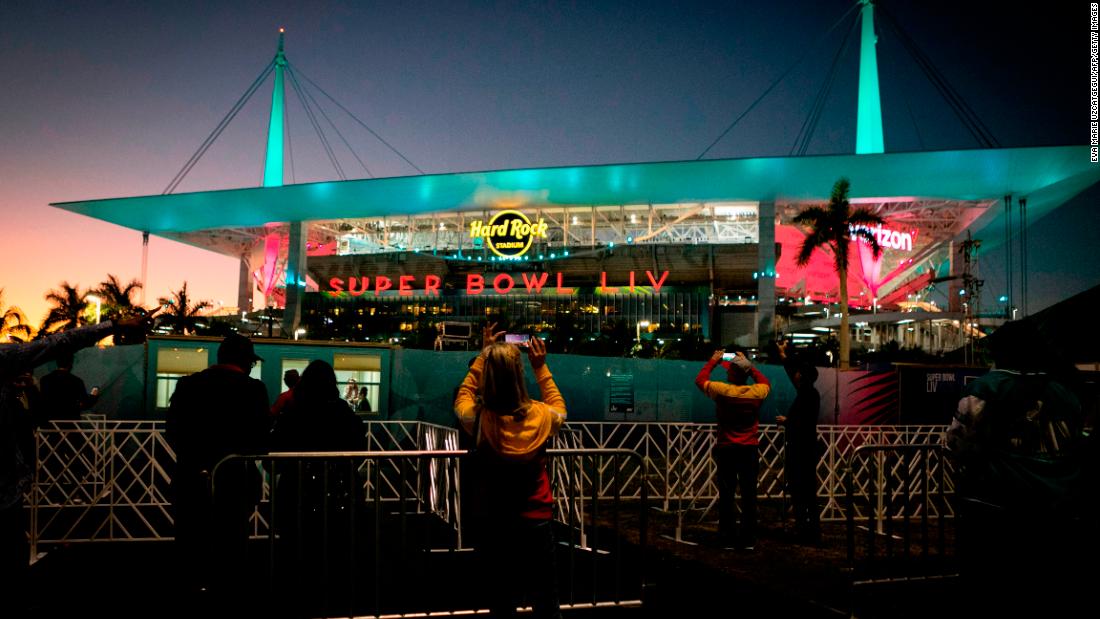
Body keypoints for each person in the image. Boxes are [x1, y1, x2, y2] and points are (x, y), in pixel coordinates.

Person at [1, 314, 154, 612]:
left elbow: (40, 405)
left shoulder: (42, 380)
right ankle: (85, 485)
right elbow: (59, 344)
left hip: (47, 436)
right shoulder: (15, 362)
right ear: (70, 364)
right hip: (47, 451)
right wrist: (113, 325)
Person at [945, 320, 1092, 615]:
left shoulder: (987, 389)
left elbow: (956, 444)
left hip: (997, 505)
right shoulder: (1063, 391)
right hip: (1058, 506)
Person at [454, 325, 566, 619]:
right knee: (545, 596)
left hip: (495, 518)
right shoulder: (543, 416)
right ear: (519, 375)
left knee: (501, 596)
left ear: (488, 377)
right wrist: (540, 368)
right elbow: (559, 407)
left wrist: (482, 357)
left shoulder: (478, 420)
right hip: (537, 517)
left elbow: (464, 395)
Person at [165, 333, 270, 598]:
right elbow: (260, 440)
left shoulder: (188, 385)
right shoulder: (253, 390)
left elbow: (173, 431)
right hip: (236, 479)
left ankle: (192, 588)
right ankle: (228, 594)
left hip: (191, 475)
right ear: (246, 362)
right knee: (232, 541)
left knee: (191, 539)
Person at [270, 359, 368, 615]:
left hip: (297, 491)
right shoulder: (343, 411)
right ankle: (335, 601)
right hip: (338, 491)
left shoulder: (292, 411)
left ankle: (296, 600)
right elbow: (358, 447)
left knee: (296, 550)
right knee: (335, 550)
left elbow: (276, 453)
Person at [695, 348, 770, 550]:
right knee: (749, 495)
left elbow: (700, 380)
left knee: (727, 495)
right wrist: (749, 365)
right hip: (749, 450)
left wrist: (713, 361)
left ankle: (726, 535)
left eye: (730, 370)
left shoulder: (723, 391)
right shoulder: (757, 393)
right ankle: (747, 538)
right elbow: (764, 382)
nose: (727, 372)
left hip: (727, 449)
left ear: (733, 374)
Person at [775, 340, 821, 543]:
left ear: (802, 376)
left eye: (798, 373)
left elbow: (802, 421)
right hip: (808, 448)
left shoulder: (807, 395)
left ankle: (805, 529)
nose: (795, 375)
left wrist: (788, 421)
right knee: (808, 490)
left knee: (800, 490)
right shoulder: (811, 393)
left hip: (801, 449)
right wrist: (784, 356)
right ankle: (811, 529)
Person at [39, 349, 99, 422]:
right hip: (71, 424)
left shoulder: (44, 380)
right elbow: (85, 403)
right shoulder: (76, 381)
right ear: (70, 363)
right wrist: (93, 396)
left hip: (51, 424)